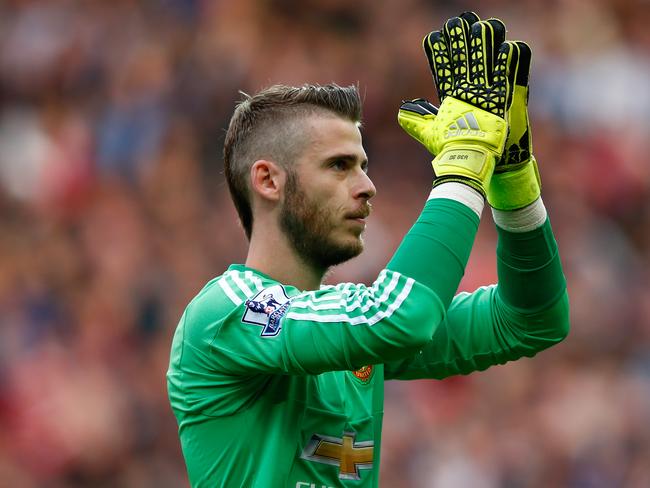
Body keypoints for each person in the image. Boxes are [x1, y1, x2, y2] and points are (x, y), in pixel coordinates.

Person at [167, 12, 570, 488]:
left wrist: (512, 183)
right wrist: (463, 168)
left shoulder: (350, 328)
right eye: (339, 166)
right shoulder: (224, 313)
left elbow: (530, 320)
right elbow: (401, 315)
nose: (367, 186)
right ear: (269, 180)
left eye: (363, 165)